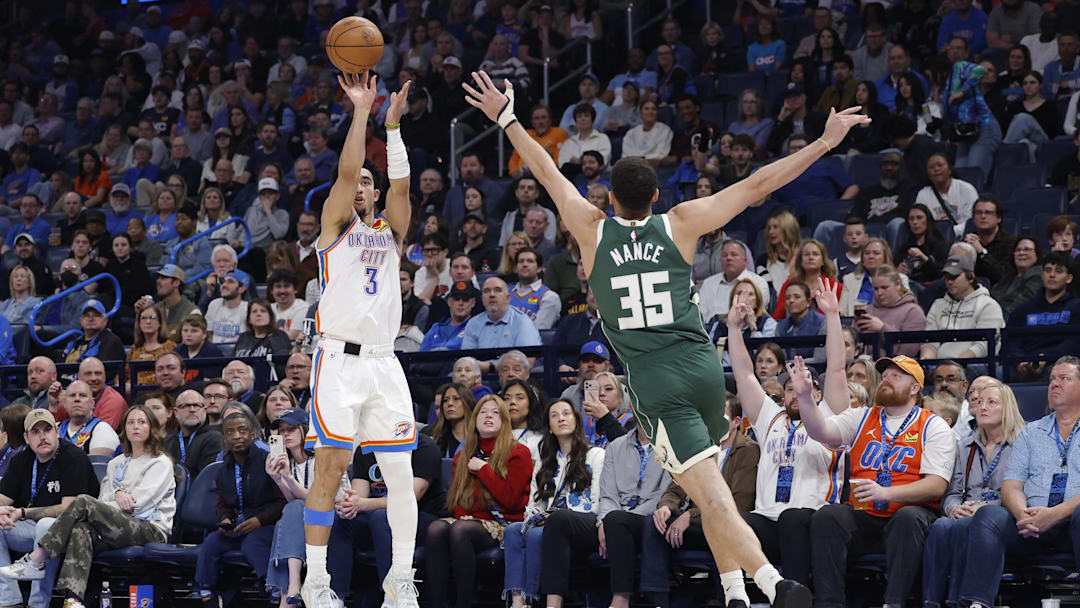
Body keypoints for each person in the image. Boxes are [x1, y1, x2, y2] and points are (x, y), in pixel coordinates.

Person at [466, 69, 869, 607]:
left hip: (655, 381)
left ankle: (772, 585)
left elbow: (545, 169)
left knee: (710, 494)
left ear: (610, 197)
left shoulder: (591, 228)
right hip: (702, 368)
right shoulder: (680, 221)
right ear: (656, 196)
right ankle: (734, 594)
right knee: (707, 484)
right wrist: (823, 142)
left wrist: (507, 117)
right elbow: (757, 186)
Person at [297, 72, 418, 608]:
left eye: (371, 182)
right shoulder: (333, 228)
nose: (363, 186)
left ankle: (400, 580)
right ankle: (316, 581)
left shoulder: (391, 233)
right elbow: (346, 171)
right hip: (338, 361)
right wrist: (362, 112)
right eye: (359, 182)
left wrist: (393, 128)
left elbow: (403, 189)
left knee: (400, 473)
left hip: (385, 363)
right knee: (331, 466)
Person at [793, 353, 956, 608]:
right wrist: (804, 398)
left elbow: (936, 485)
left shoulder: (932, 425)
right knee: (828, 516)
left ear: (915, 388)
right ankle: (829, 603)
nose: (886, 379)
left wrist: (887, 493)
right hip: (864, 513)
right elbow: (820, 431)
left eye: (896, 376)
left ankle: (894, 603)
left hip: (908, 516)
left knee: (908, 518)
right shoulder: (862, 416)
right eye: (885, 375)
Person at [728, 280, 848, 585]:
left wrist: (832, 316)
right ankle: (731, 599)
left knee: (792, 518)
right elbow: (744, 374)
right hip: (767, 517)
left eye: (805, 386)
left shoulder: (831, 415)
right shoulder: (771, 418)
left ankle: (797, 596)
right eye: (791, 388)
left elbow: (836, 368)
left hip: (812, 518)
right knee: (731, 523)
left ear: (818, 393)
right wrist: (733, 328)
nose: (797, 392)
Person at [0, 406, 175, 608]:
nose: (136, 426)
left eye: (142, 422)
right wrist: (117, 497)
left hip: (150, 528)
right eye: (130, 422)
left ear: (151, 427)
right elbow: (104, 500)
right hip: (116, 526)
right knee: (81, 529)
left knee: (83, 501)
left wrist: (114, 500)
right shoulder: (116, 463)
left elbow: (139, 505)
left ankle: (37, 558)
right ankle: (73, 601)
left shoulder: (160, 463)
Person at [953, 356, 1080, 608]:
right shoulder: (1030, 432)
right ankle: (978, 603)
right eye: (1052, 379)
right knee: (989, 515)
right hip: (1030, 525)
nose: (1054, 384)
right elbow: (1011, 485)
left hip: (1072, 521)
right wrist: (1023, 515)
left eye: (1064, 378)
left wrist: (1055, 514)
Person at [644, 394, 759, 604]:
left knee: (722, 526)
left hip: (726, 523)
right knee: (654, 524)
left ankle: (725, 599)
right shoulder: (696, 446)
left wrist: (691, 515)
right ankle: (658, 600)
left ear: (736, 422)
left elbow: (740, 503)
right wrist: (666, 507)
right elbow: (675, 488)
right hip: (696, 525)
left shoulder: (748, 450)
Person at [922, 380, 1024, 607]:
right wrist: (954, 508)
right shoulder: (964, 446)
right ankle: (930, 601)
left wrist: (986, 508)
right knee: (941, 525)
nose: (982, 407)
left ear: (1007, 408)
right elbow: (952, 492)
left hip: (1001, 515)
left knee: (965, 525)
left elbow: (1023, 491)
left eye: (992, 402)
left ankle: (956, 601)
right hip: (966, 512)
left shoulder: (1021, 444)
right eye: (980, 402)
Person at [423, 395, 532, 608]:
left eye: (495, 412)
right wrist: (463, 515)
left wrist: (484, 470)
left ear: (504, 421)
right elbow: (457, 498)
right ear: (474, 420)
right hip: (472, 522)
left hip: (506, 524)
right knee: (436, 528)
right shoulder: (463, 455)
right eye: (483, 412)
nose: (488, 416)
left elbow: (511, 501)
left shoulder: (518, 453)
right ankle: (438, 603)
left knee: (460, 530)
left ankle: (464, 603)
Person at [503, 399, 604, 608]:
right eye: (554, 416)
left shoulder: (595, 455)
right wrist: (535, 516)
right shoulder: (545, 459)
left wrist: (551, 518)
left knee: (537, 534)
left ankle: (531, 599)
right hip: (547, 520)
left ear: (576, 420)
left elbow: (598, 500)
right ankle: (517, 601)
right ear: (549, 426)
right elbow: (535, 500)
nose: (561, 419)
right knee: (513, 531)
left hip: (580, 522)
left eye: (566, 414)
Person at [327, 431, 446, 603]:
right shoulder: (366, 449)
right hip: (377, 519)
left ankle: (394, 596)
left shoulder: (423, 447)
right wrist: (349, 505)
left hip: (420, 520)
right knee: (340, 519)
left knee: (382, 517)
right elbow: (359, 494)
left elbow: (410, 498)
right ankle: (336, 597)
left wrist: (363, 504)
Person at [0, 410, 99, 608]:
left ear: (57, 432)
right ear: (26, 438)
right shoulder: (21, 460)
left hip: (72, 532)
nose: (42, 436)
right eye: (35, 432)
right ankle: (8, 600)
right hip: (29, 527)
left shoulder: (74, 457)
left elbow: (68, 509)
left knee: (46, 525)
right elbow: (3, 499)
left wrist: (23, 512)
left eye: (47, 430)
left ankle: (38, 603)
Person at [189, 410, 285, 602]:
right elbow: (222, 503)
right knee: (213, 541)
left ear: (252, 434)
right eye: (230, 432)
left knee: (252, 543)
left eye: (242, 430)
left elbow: (283, 502)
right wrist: (225, 520)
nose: (237, 436)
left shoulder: (267, 460)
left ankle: (273, 586)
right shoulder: (223, 469)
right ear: (224, 437)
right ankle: (206, 591)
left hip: (268, 524)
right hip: (239, 527)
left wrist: (259, 520)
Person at [920, 256, 1006, 360]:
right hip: (939, 365)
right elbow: (930, 342)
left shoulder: (988, 305)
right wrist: (927, 362)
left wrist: (955, 364)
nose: (949, 282)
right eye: (946, 277)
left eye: (954, 276)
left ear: (971, 277)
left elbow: (984, 346)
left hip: (976, 363)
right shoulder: (938, 305)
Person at [854, 266, 927, 358]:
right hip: (864, 364)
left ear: (898, 285)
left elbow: (907, 354)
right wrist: (856, 332)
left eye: (884, 288)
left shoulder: (913, 312)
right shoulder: (867, 311)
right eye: (876, 289)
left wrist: (882, 328)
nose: (880, 293)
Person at [52, 381, 120, 457]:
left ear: (92, 403)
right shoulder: (54, 428)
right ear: (64, 403)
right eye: (72, 395)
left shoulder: (103, 430)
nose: (77, 399)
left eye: (82, 395)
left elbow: (98, 464)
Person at [165, 389, 223, 477]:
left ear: (205, 410)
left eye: (196, 405)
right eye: (185, 406)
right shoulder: (168, 441)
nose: (192, 410)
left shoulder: (215, 438)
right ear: (176, 412)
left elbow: (207, 477)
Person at [990, 236, 1045, 315]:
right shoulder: (1008, 277)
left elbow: (1023, 304)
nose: (1021, 253)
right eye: (1018, 250)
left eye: (1027, 249)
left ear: (1037, 254)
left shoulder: (1038, 275)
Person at [127, 303, 177, 387]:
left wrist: (137, 384)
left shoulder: (170, 347)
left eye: (152, 318)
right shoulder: (134, 349)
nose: (148, 321)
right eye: (143, 318)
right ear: (139, 323)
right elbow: (125, 374)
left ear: (160, 322)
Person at [61, 300, 126, 365]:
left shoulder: (111, 342)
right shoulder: (73, 343)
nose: (91, 319)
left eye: (96, 315)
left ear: (105, 320)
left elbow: (101, 369)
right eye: (87, 315)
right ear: (81, 320)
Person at [422, 383, 476, 459]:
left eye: (456, 399)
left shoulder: (480, 435)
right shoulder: (430, 434)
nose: (450, 403)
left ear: (467, 402)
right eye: (445, 400)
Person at [502, 379, 545, 461]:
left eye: (519, 398)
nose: (512, 402)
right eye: (507, 398)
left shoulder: (541, 437)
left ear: (530, 402)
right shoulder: (496, 435)